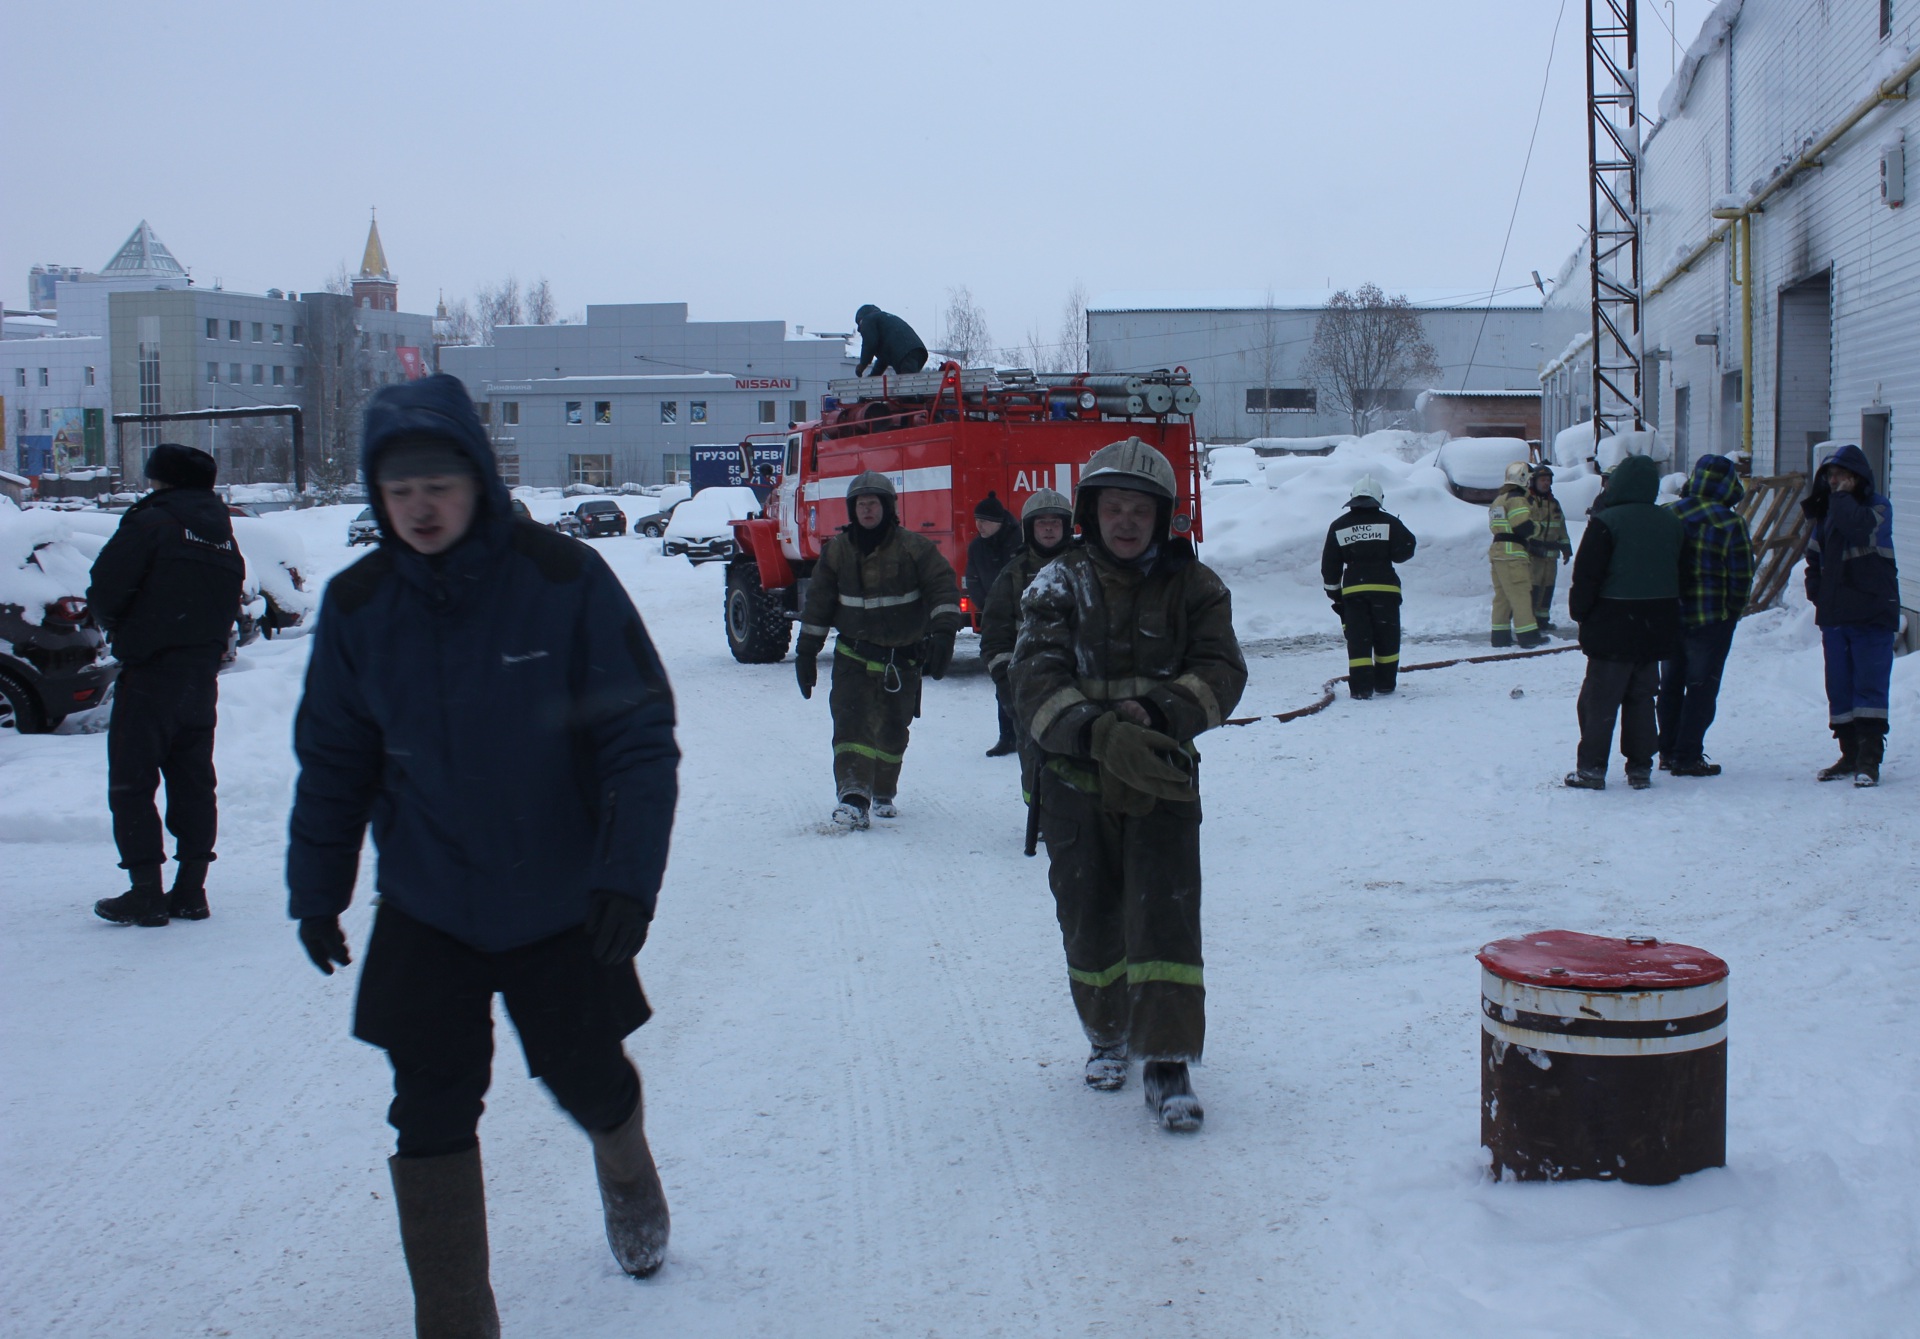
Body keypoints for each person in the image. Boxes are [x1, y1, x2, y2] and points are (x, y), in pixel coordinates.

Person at [285, 374, 680, 1334]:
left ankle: (623, 1157)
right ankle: (457, 1315)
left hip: (556, 900)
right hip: (428, 902)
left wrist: (625, 873)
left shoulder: (562, 579)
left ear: (478, 478)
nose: (420, 505)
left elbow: (638, 736)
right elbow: (335, 757)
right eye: (398, 487)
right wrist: (317, 886)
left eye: (439, 482)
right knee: (427, 1109)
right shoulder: (360, 604)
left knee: (588, 1079)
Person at [1010, 438, 1247, 1132]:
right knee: (1090, 920)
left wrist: (1160, 712)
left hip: (1161, 784)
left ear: (1162, 516)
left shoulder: (1195, 586)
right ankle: (1108, 1034)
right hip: (1074, 787)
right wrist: (1094, 733)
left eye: (1139, 509)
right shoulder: (1055, 584)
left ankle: (1167, 1060)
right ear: (1091, 511)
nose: (1125, 521)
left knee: (1165, 919)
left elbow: (1222, 672)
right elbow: (1032, 682)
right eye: (1113, 507)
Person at [88, 443, 244, 927]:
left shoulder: (151, 522)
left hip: (151, 669)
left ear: (162, 479)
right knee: (194, 779)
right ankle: (192, 891)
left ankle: (146, 893)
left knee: (133, 781)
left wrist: (120, 625)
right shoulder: (222, 533)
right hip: (201, 676)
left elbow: (106, 587)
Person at [793, 471, 962, 828]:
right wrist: (806, 651)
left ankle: (883, 789)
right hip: (854, 658)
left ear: (888, 508)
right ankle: (854, 797)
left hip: (901, 663)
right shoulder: (836, 553)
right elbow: (819, 604)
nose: (867, 510)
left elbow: (943, 589)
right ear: (851, 510)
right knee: (850, 725)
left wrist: (944, 633)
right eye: (860, 504)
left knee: (891, 733)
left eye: (873, 503)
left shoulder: (916, 549)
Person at [1564, 454, 1683, 790]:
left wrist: (1581, 613)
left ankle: (1591, 769)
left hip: (1612, 624)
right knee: (1642, 698)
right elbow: (1681, 571)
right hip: (1655, 625)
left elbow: (1587, 575)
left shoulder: (1607, 522)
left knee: (1600, 700)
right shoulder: (1670, 522)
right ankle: (1640, 767)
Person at [1803, 443, 1901, 786]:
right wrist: (1816, 589)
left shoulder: (1878, 507)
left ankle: (1870, 760)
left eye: (1842, 476)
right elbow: (1814, 557)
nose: (1834, 482)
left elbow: (1859, 528)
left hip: (1872, 611)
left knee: (1869, 685)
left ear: (1858, 478)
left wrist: (1842, 498)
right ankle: (1849, 755)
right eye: (1831, 476)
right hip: (1836, 614)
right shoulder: (1827, 513)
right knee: (1840, 687)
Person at [1656, 454, 1755, 776]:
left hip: (1670, 616)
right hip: (1711, 619)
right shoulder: (1730, 522)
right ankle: (1688, 755)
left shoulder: (1668, 514)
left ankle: (1667, 751)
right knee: (1701, 688)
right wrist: (1734, 611)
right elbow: (1740, 575)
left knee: (1670, 686)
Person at [981, 487, 1075, 778]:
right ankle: (1039, 821)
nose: (1048, 528)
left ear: (1067, 527)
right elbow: (995, 636)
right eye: (1041, 522)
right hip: (1031, 691)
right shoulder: (1012, 575)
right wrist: (1005, 683)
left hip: (1084, 685)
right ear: (1028, 528)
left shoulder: (1088, 568)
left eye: (1055, 522)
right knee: (1036, 768)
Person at [1319, 474, 1417, 699]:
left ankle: (1361, 689)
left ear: (1353, 497)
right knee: (1387, 637)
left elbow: (1330, 564)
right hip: (1386, 590)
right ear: (1378, 499)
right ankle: (1385, 684)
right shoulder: (1390, 522)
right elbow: (1406, 550)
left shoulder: (1339, 525)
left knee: (1359, 640)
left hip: (1354, 592)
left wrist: (1335, 593)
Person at [966, 491, 1024, 755]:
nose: (979, 526)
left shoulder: (1020, 541)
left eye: (984, 521)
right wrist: (989, 608)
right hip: (996, 621)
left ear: (999, 521)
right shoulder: (976, 547)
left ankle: (1031, 734)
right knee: (1002, 676)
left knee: (1030, 676)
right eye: (977, 520)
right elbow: (973, 579)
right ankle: (1007, 737)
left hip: (1024, 619)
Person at [1488, 461, 1544, 648]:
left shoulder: (1499, 499)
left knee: (1502, 597)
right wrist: (1537, 527)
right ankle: (1528, 637)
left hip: (1498, 554)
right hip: (1513, 555)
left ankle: (1500, 637)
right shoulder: (1517, 499)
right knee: (1520, 595)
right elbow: (1523, 527)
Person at [1525, 464, 1573, 629]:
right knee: (1534, 587)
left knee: (1547, 588)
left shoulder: (1554, 504)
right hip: (1534, 555)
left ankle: (1543, 620)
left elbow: (1561, 527)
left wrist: (1566, 548)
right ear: (1533, 481)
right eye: (1542, 480)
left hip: (1551, 556)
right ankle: (1530, 621)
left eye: (1548, 480)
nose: (1546, 483)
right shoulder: (1527, 502)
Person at [853, 304, 929, 377]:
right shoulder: (885, 322)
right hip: (918, 352)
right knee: (908, 382)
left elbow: (869, 344)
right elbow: (883, 360)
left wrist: (862, 365)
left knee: (906, 385)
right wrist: (873, 376)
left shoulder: (868, 319)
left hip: (905, 353)